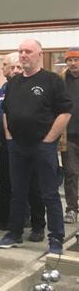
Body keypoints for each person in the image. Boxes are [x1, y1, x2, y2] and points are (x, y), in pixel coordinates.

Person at [0, 39, 73, 255]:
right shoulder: (14, 83)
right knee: (17, 192)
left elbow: (65, 111)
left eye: (28, 51)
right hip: (17, 146)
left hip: (43, 147)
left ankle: (56, 240)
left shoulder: (52, 80)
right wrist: (9, 137)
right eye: (21, 51)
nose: (23, 55)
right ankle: (14, 233)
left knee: (49, 193)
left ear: (39, 54)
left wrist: (49, 139)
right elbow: (6, 111)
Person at [0, 52, 45, 234]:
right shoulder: (3, 89)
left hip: (27, 144)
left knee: (31, 185)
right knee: (5, 182)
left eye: (18, 66)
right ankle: (2, 218)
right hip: (4, 145)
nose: (15, 70)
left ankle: (33, 222)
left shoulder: (33, 87)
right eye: (10, 67)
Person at [62, 47, 79, 224]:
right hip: (68, 135)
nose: (73, 63)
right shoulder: (60, 80)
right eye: (70, 60)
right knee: (71, 173)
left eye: (76, 60)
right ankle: (72, 209)